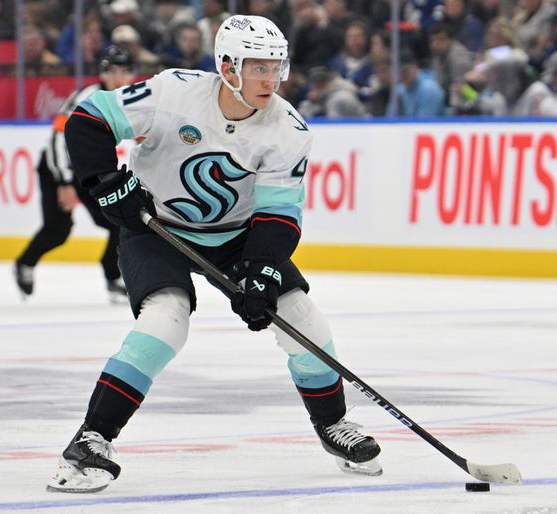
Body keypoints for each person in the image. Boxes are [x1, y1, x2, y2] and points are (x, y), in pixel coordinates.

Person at [46, 14, 382, 493]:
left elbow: (279, 216)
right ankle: (92, 438)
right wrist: (105, 184)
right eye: (258, 67)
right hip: (156, 227)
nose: (270, 79)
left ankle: (332, 425)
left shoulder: (288, 130)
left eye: (276, 67)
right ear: (227, 67)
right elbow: (88, 119)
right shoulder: (172, 93)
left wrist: (262, 273)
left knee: (302, 316)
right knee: (166, 318)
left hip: (236, 236)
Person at [13, 46, 138, 302]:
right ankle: (25, 263)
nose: (119, 76)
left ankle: (113, 278)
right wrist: (64, 182)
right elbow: (59, 137)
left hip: (90, 170)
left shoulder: (131, 98)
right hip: (58, 169)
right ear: (103, 72)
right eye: (113, 70)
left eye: (124, 71)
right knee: (58, 230)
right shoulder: (88, 97)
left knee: (119, 219)